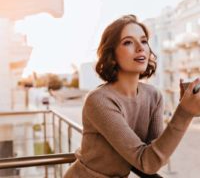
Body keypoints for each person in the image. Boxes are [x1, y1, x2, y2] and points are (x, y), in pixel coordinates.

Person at [64, 14, 200, 178]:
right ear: (112, 56)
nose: (140, 47)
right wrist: (184, 113)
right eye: (128, 42)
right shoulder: (99, 100)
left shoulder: (153, 96)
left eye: (143, 41)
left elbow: (155, 158)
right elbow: (147, 162)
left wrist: (187, 107)